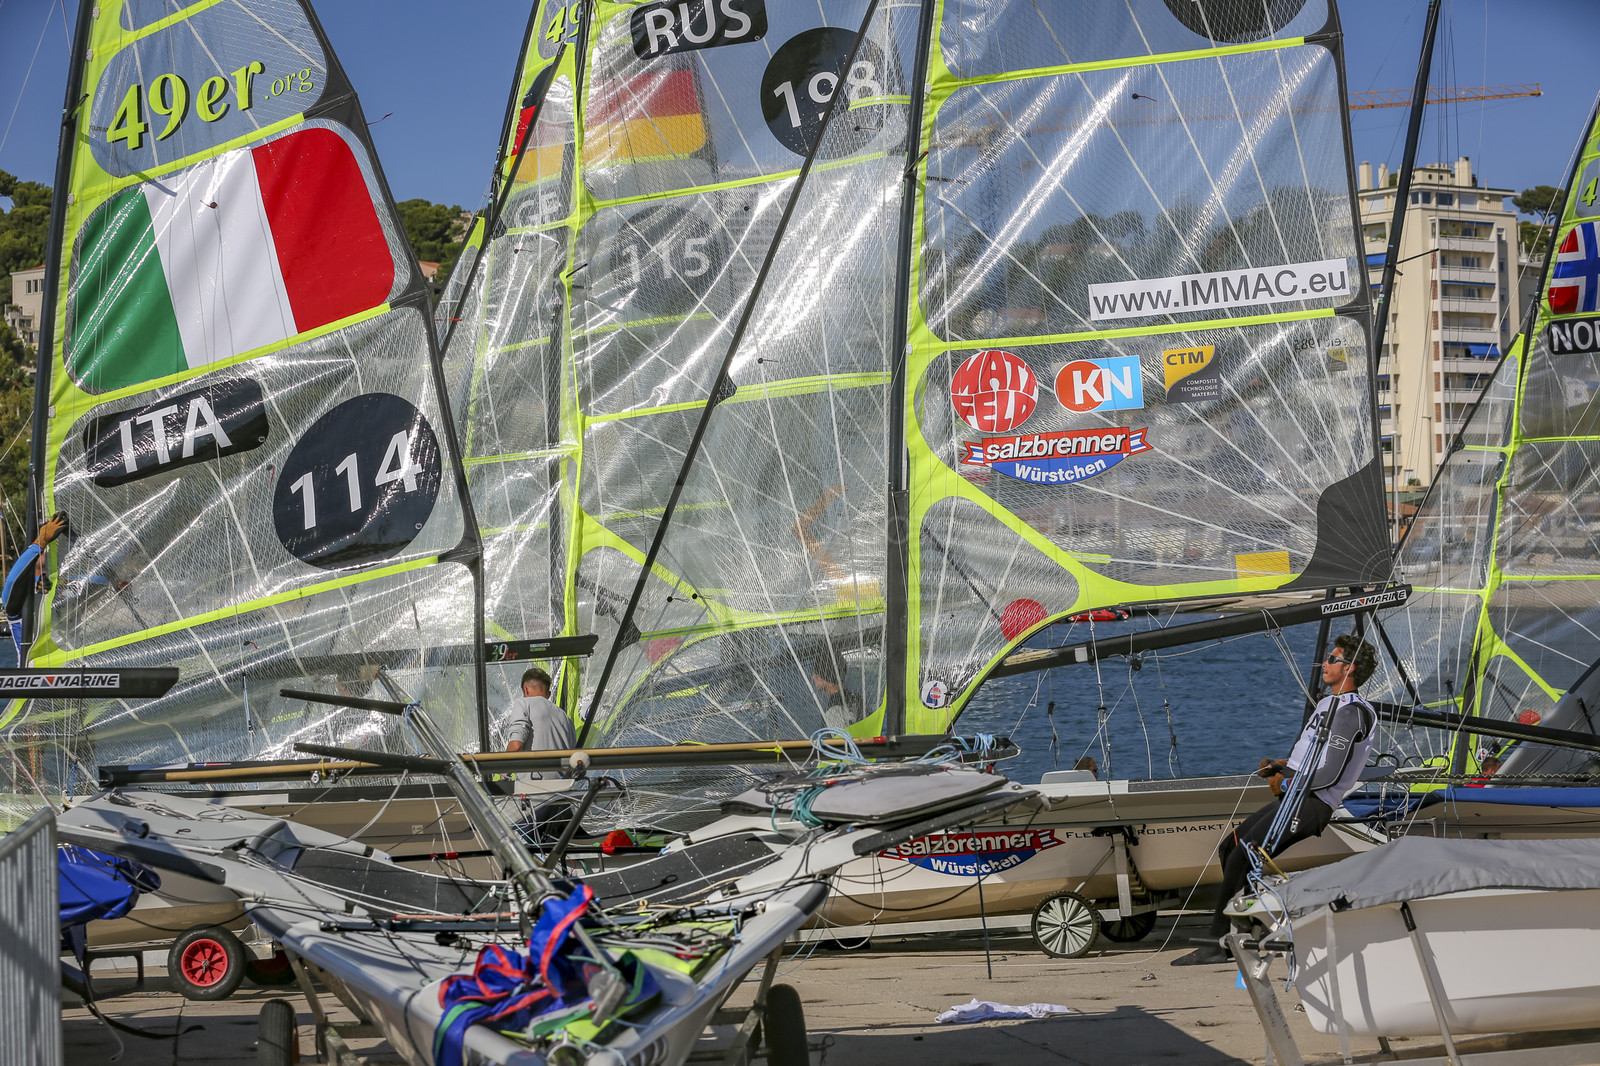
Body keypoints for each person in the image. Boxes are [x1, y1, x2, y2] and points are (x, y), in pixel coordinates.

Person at [1172, 633, 1378, 966]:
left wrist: (1285, 786)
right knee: (1230, 849)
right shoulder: (1330, 703)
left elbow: (1331, 774)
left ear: (1349, 668)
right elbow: (1312, 758)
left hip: (1311, 804)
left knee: (1243, 856)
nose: (1324, 663)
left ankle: (1217, 942)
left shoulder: (1351, 712)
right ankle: (1252, 924)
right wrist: (1283, 766)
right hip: (1297, 797)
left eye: (1332, 659)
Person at [3, 513, 67, 657]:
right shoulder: (21, 591)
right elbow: (13, 581)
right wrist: (40, 542)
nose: (49, 551)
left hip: (68, 672)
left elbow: (98, 582)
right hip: (31, 672)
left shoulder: (66, 584)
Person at [503, 666, 576, 780]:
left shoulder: (523, 703)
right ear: (549, 694)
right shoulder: (566, 718)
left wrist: (503, 775)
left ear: (526, 689)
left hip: (533, 789)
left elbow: (516, 746)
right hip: (562, 790)